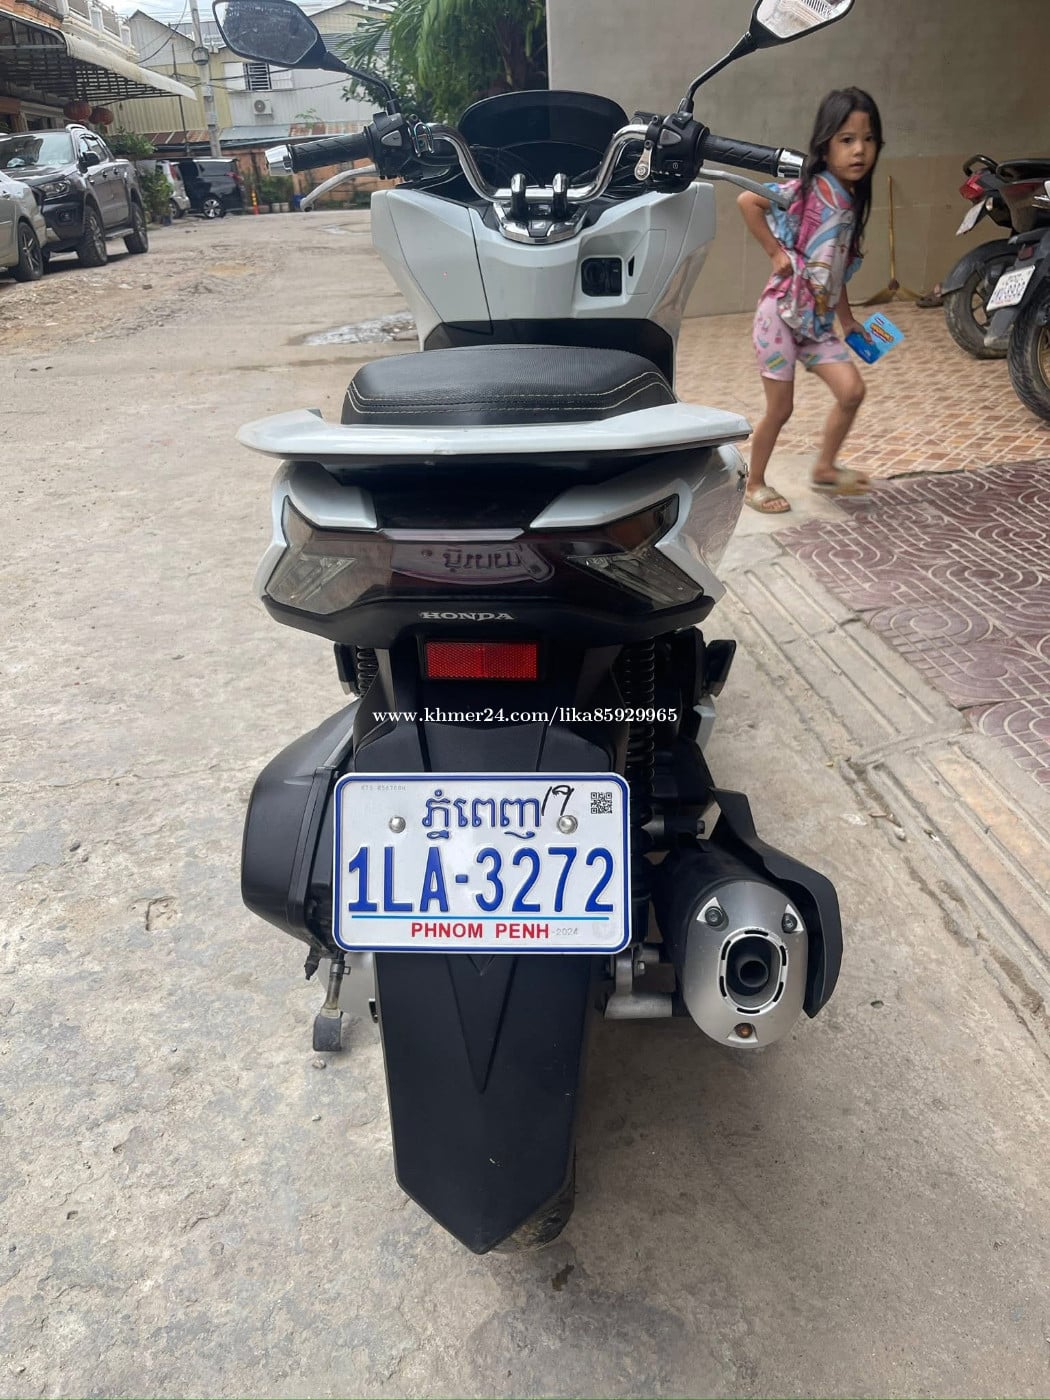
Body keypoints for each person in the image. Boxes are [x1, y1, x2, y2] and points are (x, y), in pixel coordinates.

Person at [736, 87, 884, 512]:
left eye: (868, 139)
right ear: (825, 144)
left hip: (816, 325)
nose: (859, 150)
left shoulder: (851, 203)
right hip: (780, 316)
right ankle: (754, 484)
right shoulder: (807, 189)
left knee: (852, 391)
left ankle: (824, 469)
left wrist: (848, 321)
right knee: (780, 408)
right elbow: (748, 200)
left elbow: (834, 270)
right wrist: (775, 252)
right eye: (847, 139)